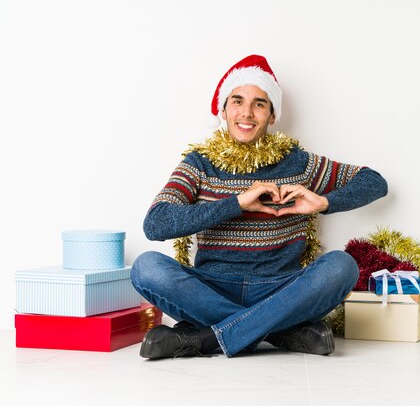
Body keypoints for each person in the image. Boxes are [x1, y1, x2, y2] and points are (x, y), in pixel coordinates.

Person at [131, 55, 388, 359]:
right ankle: (280, 330)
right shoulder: (199, 164)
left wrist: (323, 202)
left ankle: (205, 339)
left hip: (280, 287)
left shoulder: (297, 162)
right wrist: (236, 203)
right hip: (212, 288)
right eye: (237, 101)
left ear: (272, 115)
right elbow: (156, 224)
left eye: (259, 104)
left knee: (342, 267)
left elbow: (374, 182)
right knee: (146, 267)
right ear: (223, 110)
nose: (247, 113)